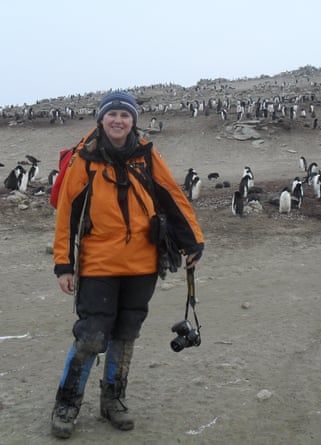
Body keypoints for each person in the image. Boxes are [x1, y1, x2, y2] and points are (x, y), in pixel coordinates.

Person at [50, 91, 204, 439]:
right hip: (98, 263)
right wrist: (64, 264)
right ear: (101, 119)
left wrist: (193, 241)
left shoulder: (146, 156)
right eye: (112, 114)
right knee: (91, 335)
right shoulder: (84, 159)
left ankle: (113, 400)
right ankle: (67, 402)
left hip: (142, 263)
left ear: (133, 119)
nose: (118, 120)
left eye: (125, 114)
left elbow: (171, 196)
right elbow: (66, 216)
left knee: (125, 333)